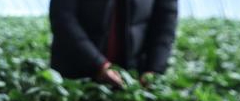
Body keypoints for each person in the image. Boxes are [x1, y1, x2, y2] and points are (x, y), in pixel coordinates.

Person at [49, 0, 179, 88]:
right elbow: (63, 18)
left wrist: (153, 70)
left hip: (132, 77)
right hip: (76, 74)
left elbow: (165, 23)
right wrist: (98, 64)